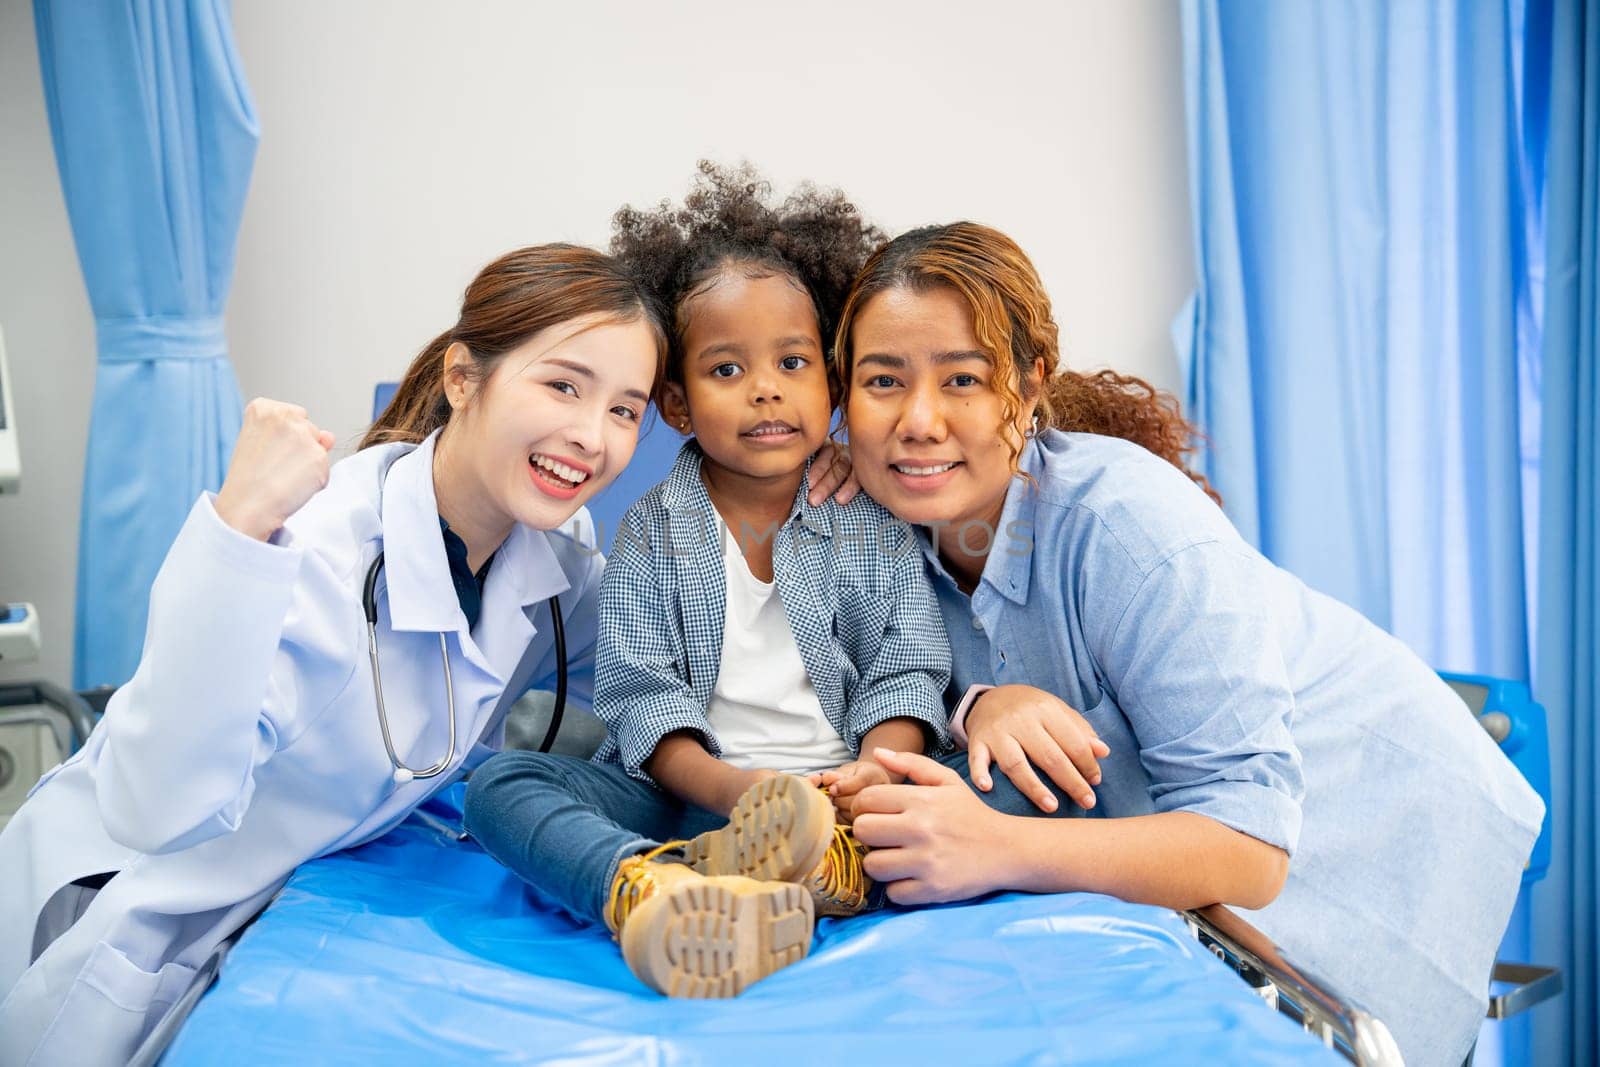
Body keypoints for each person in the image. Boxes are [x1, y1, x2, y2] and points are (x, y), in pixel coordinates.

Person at [832, 222, 1545, 1066]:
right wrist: (976, 704)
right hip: (1192, 870)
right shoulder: (877, 538)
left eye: (963, 379)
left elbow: (1248, 849)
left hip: (1367, 830)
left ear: (1028, 389)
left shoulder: (1130, 529)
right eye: (884, 381)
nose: (918, 420)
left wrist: (995, 848)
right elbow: (913, 675)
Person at [0, 244, 670, 1066]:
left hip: (267, 898)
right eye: (563, 385)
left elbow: (666, 668)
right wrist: (238, 528)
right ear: (464, 377)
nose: (590, 436)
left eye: (625, 410)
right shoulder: (317, 552)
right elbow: (156, 807)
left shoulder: (553, 558)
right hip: (127, 912)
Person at [464, 166, 1081, 1000]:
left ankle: (826, 863)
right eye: (725, 371)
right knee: (503, 784)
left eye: (793, 361)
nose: (765, 388)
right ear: (677, 404)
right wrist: (735, 790)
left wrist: (874, 768)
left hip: (858, 795)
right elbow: (645, 698)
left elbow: (906, 665)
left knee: (1011, 784)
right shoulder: (654, 530)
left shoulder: (867, 517)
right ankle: (651, 887)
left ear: (831, 383)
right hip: (696, 797)